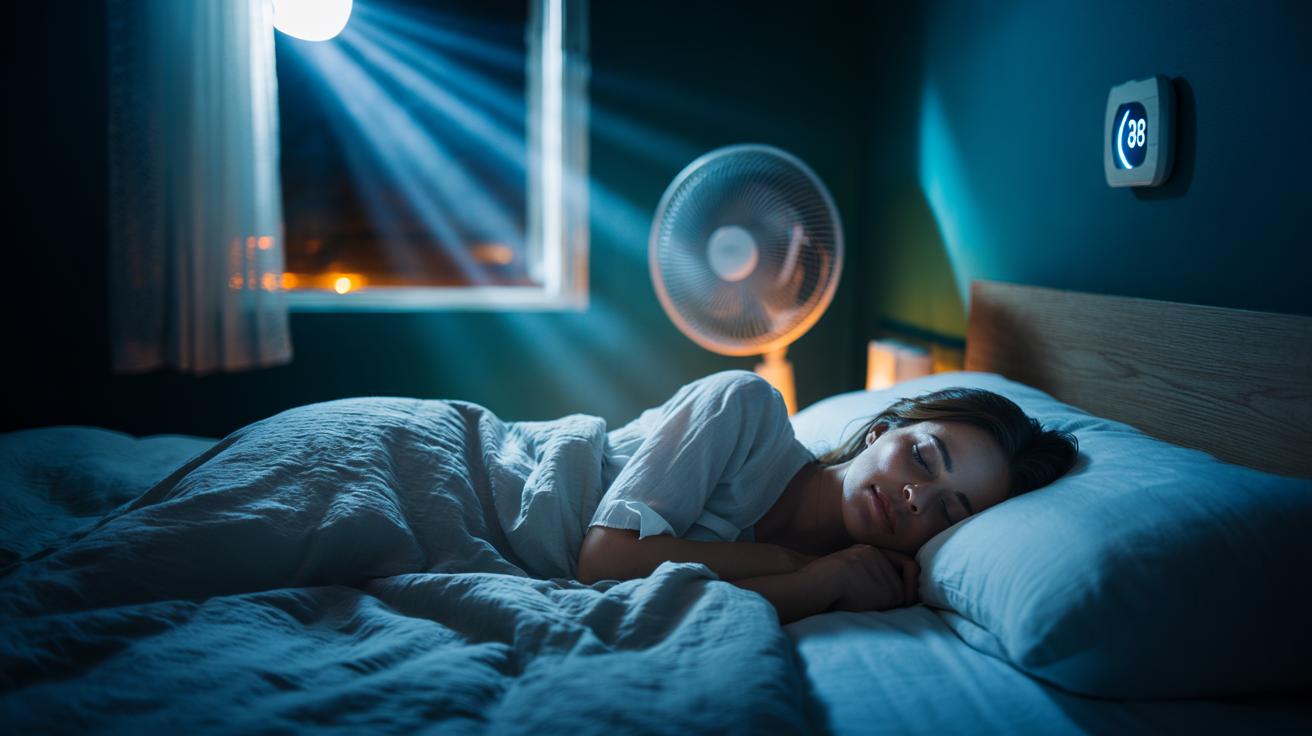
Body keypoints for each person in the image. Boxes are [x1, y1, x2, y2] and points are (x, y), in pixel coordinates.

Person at [577, 370, 1078, 624]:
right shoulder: (746, 406)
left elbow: (679, 608)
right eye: (923, 458)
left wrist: (819, 582)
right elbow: (604, 560)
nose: (917, 498)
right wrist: (791, 564)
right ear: (880, 431)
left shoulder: (856, 583)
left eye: (948, 511)